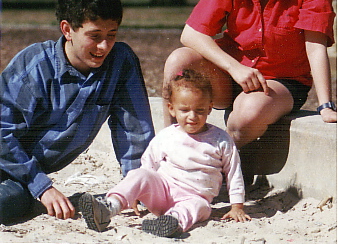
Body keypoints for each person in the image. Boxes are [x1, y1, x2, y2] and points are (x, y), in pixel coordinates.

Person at [0, 0, 155, 224]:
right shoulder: (34, 67)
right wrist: (42, 187)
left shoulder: (121, 62)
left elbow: (135, 132)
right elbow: (1, 134)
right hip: (8, 161)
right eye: (94, 36)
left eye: (112, 34)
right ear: (67, 29)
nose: (104, 46)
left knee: (13, 200)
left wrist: (136, 185)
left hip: (19, 175)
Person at [163, 0, 336, 151]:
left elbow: (315, 47)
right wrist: (234, 68)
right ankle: (170, 151)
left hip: (281, 81)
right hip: (231, 75)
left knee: (246, 115)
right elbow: (191, 34)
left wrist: (325, 105)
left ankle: (214, 163)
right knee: (178, 60)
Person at [78, 69, 251, 237]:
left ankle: (172, 222)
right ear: (172, 109)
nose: (192, 116)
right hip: (162, 193)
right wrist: (136, 195)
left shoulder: (221, 140)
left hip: (193, 197)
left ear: (210, 108)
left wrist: (237, 206)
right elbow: (148, 164)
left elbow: (233, 172)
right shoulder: (168, 135)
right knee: (139, 173)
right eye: (184, 110)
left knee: (200, 207)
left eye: (199, 110)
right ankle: (109, 207)